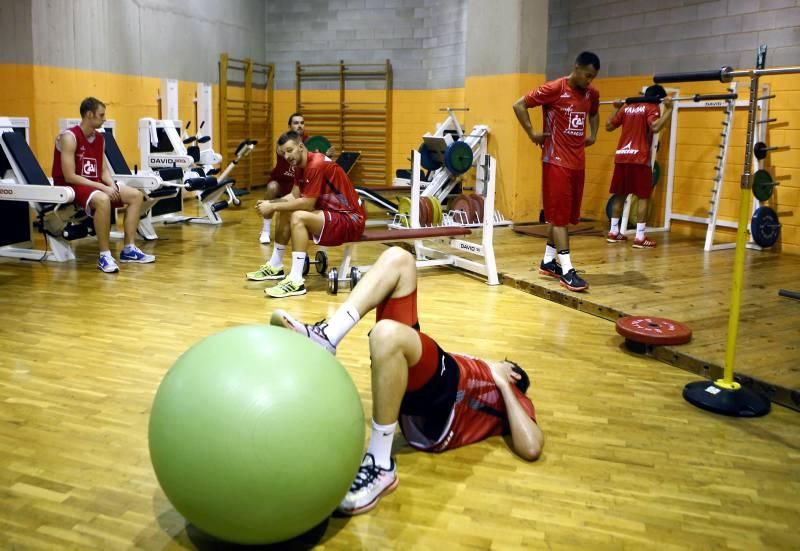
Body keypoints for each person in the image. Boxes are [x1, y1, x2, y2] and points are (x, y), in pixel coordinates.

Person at [270, 246, 544, 515]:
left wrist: (504, 382)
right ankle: (328, 335)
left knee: (386, 335)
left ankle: (380, 464)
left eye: (509, 364)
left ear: (515, 374)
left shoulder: (508, 393)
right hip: (432, 379)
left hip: (446, 400)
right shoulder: (482, 368)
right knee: (399, 259)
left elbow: (531, 447)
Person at [513, 51, 601, 292]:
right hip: (556, 161)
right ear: (576, 67)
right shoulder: (554, 88)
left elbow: (594, 113)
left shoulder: (591, 94)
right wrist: (532, 133)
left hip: (577, 163)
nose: (589, 81)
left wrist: (594, 134)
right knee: (559, 219)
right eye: (587, 75)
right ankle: (567, 271)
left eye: (592, 77)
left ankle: (548, 262)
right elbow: (519, 105)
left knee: (563, 217)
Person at [247, 130, 365, 298]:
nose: (287, 156)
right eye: (283, 153)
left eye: (290, 150)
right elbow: (294, 196)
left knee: (297, 216)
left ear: (301, 147)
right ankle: (275, 265)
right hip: (332, 214)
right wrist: (271, 203)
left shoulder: (316, 164)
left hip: (351, 218)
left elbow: (307, 203)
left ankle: (296, 281)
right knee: (285, 211)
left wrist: (272, 207)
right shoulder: (299, 166)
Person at [52, 97, 154, 273]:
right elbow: (70, 176)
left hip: (94, 184)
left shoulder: (100, 138)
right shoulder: (69, 137)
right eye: (101, 115)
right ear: (89, 115)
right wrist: (103, 188)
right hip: (72, 186)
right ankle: (104, 255)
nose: (104, 118)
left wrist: (110, 184)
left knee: (136, 196)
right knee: (103, 199)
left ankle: (129, 249)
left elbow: (103, 169)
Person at [605, 85, 673, 248]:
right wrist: (669, 110)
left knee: (620, 195)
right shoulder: (652, 106)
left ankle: (613, 232)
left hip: (622, 156)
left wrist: (616, 109)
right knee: (643, 196)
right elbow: (655, 127)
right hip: (639, 158)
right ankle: (640, 237)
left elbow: (608, 126)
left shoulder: (627, 107)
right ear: (658, 98)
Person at [259, 113, 337, 244]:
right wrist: (271, 205)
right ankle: (266, 230)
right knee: (272, 187)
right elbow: (281, 148)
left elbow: (314, 159)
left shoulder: (308, 142)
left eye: (302, 123)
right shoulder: (282, 142)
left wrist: (326, 154)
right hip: (282, 181)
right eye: (296, 123)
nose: (299, 125)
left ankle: (305, 230)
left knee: (296, 208)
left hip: (298, 184)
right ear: (289, 126)